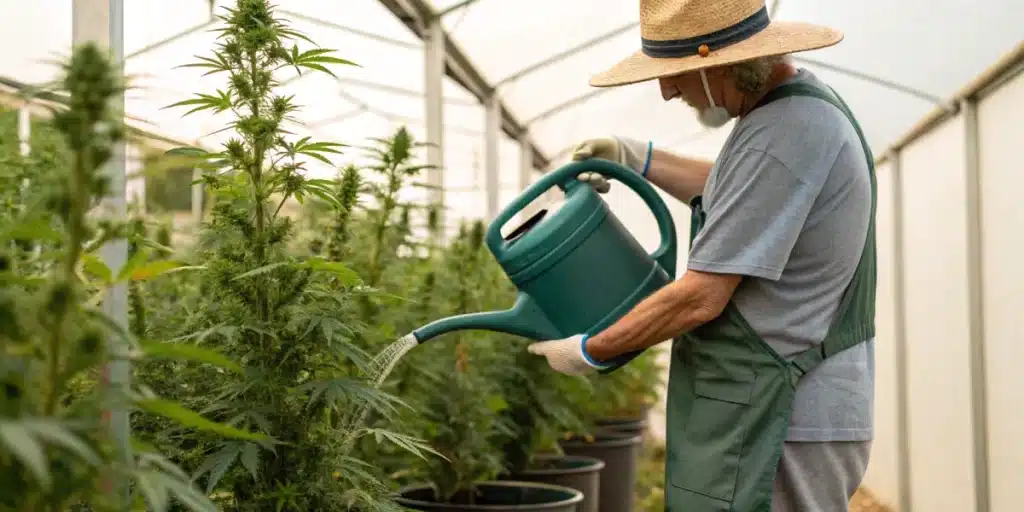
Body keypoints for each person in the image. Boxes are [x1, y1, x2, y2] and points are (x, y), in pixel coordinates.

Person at [525, 0, 877, 510]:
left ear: (723, 64)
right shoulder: (794, 112)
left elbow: (700, 298)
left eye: (677, 73)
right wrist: (635, 156)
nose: (668, 90)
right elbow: (744, 192)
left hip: (784, 412)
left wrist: (590, 350)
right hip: (779, 404)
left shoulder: (784, 131)